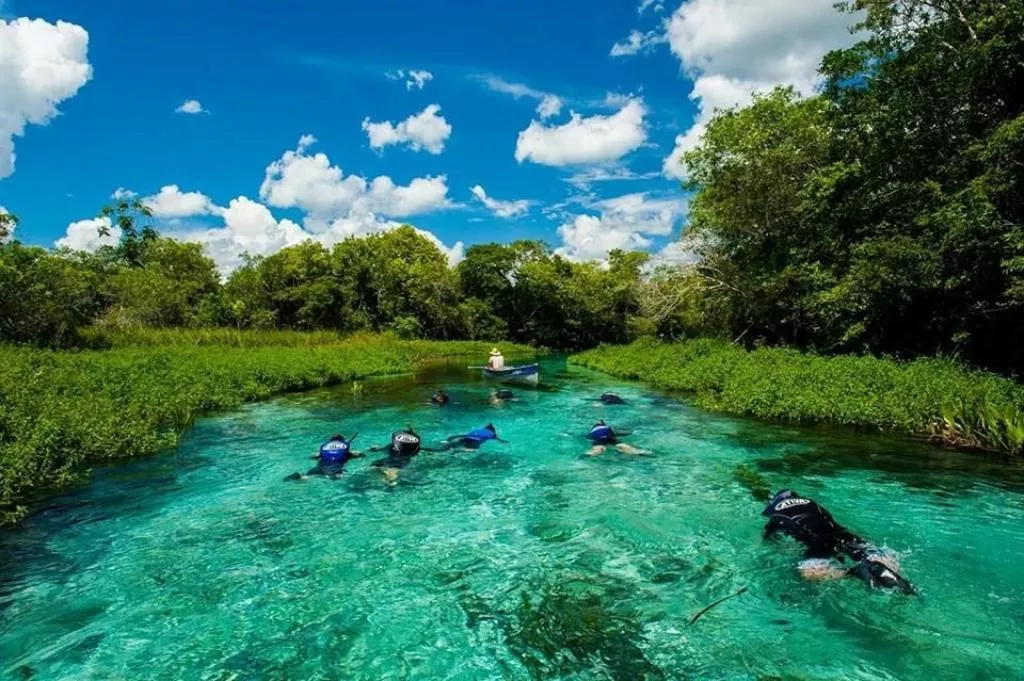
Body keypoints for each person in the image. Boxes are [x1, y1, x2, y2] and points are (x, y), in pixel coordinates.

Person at [761, 489, 915, 594]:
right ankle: (883, 567)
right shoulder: (809, 502)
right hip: (842, 534)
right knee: (869, 551)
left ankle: (852, 573)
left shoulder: (774, 515)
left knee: (804, 574)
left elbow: (769, 541)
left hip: (817, 542)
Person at [366, 427, 445, 485]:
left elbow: (383, 449)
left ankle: (389, 479)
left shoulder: (391, 446)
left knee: (378, 467)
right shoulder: (415, 449)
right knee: (394, 471)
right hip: (402, 464)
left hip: (385, 461)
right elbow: (426, 451)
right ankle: (391, 481)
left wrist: (376, 449)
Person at [284, 433, 364, 481]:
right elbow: (359, 455)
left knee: (309, 476)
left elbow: (313, 456)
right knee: (338, 478)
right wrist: (362, 454)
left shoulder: (323, 449)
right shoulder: (348, 453)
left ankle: (300, 476)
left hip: (320, 466)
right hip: (336, 468)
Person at [443, 423, 507, 450]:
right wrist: (502, 441)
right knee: (473, 450)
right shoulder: (492, 433)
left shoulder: (479, 429)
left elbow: (469, 435)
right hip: (475, 441)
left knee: (451, 446)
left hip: (466, 438)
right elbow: (497, 438)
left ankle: (449, 445)